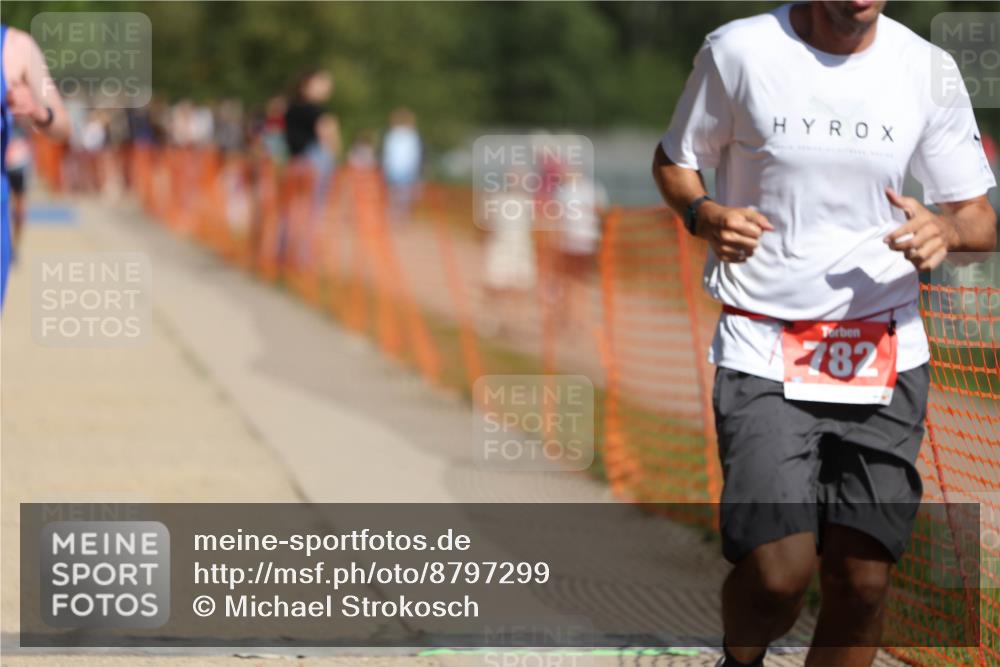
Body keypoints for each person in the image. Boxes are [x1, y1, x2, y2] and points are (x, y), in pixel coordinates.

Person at [651, 3, 996, 666]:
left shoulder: (927, 69)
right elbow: (675, 160)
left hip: (885, 352)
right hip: (765, 345)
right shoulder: (740, 51)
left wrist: (946, 232)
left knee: (863, 583)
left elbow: (978, 217)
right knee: (780, 575)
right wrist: (703, 212)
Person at [1, 23, 71, 307]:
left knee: (21, 202)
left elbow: (63, 127)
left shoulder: (17, 46)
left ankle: (17, 243)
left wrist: (39, 112)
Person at [381, 107, 422, 224]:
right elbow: (414, 154)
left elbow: (388, 153)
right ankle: (401, 216)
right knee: (403, 194)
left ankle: (395, 215)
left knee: (395, 193)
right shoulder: (411, 135)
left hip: (395, 169)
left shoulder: (392, 135)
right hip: (405, 169)